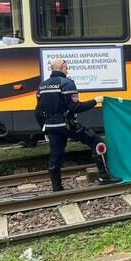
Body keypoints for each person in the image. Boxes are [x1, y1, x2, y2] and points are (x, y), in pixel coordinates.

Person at [35, 59, 121, 191]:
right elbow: (75, 107)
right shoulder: (66, 83)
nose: (67, 70)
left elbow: (38, 112)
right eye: (66, 67)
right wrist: (95, 101)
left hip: (51, 127)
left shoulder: (42, 86)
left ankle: (57, 188)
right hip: (67, 125)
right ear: (60, 67)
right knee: (97, 142)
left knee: (55, 155)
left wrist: (45, 129)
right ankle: (105, 176)